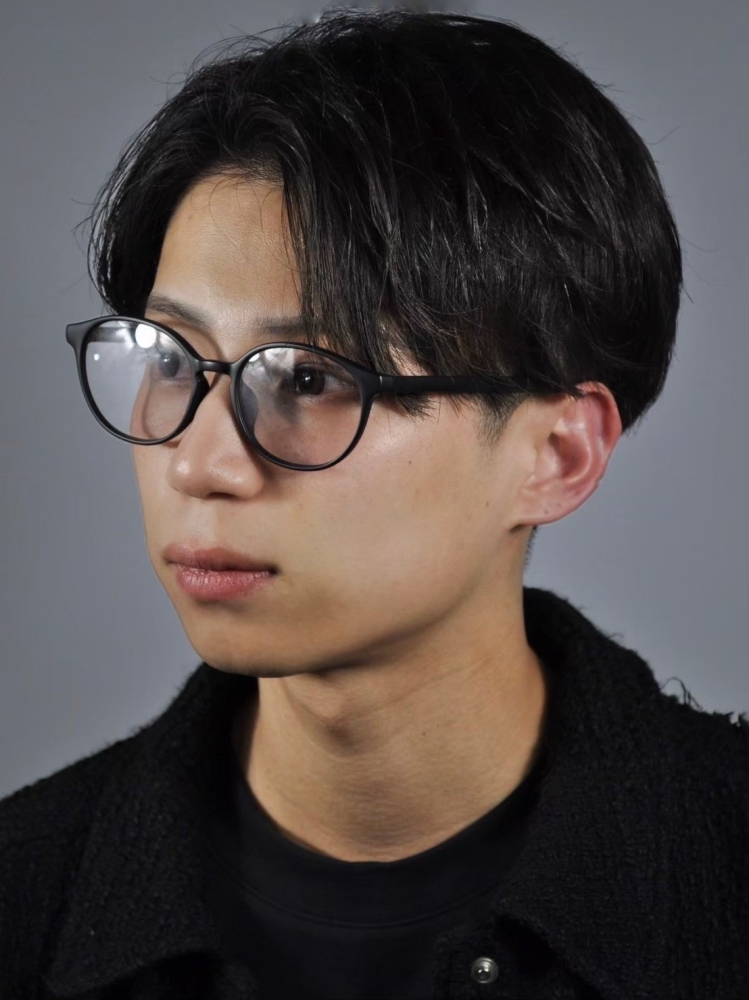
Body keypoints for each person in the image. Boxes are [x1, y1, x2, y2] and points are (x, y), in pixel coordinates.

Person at [1, 8, 746, 999]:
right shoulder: (27, 892)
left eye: (307, 379)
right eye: (172, 359)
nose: (198, 463)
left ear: (557, 455)